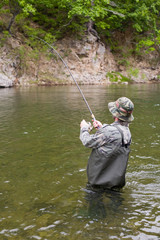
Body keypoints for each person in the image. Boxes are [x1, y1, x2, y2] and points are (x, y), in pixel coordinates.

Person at [80, 97, 134, 192]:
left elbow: (87, 141)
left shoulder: (108, 132)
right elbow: (113, 136)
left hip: (98, 185)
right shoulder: (127, 131)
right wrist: (102, 128)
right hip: (116, 183)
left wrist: (84, 128)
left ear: (115, 113)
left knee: (95, 206)